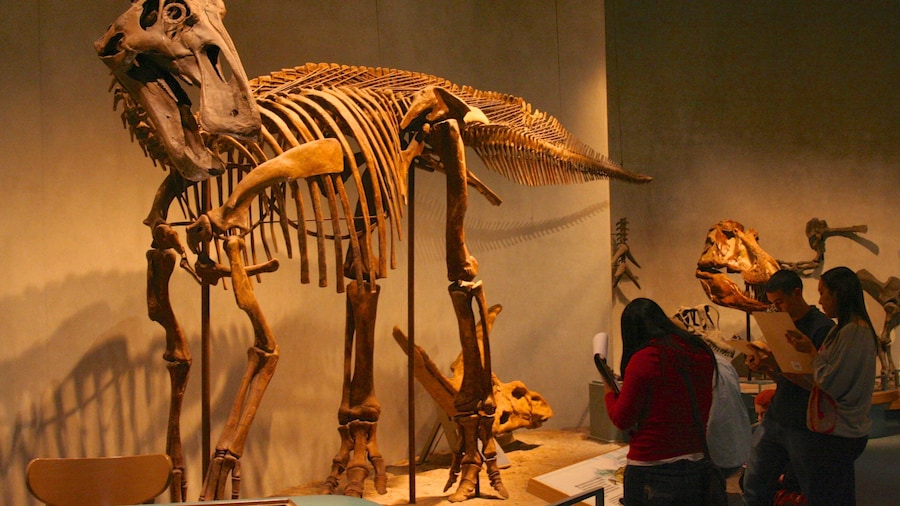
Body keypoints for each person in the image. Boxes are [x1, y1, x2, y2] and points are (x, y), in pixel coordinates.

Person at [603, 298, 717, 505]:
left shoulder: (645, 358)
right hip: (696, 461)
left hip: (651, 466)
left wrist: (609, 391)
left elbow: (622, 419)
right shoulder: (700, 351)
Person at [782, 266, 878, 505]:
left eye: (823, 293)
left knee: (828, 496)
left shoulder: (854, 332)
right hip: (836, 432)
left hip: (839, 434)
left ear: (839, 294)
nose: (820, 300)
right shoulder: (843, 330)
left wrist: (811, 354)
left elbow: (830, 381)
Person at [742, 269, 834, 505]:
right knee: (754, 481)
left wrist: (780, 367)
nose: (777, 308)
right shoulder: (782, 325)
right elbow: (784, 375)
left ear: (797, 293)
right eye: (773, 304)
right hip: (778, 416)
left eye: (779, 302)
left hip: (803, 421)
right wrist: (765, 366)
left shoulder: (821, 328)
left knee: (811, 486)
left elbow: (819, 381)